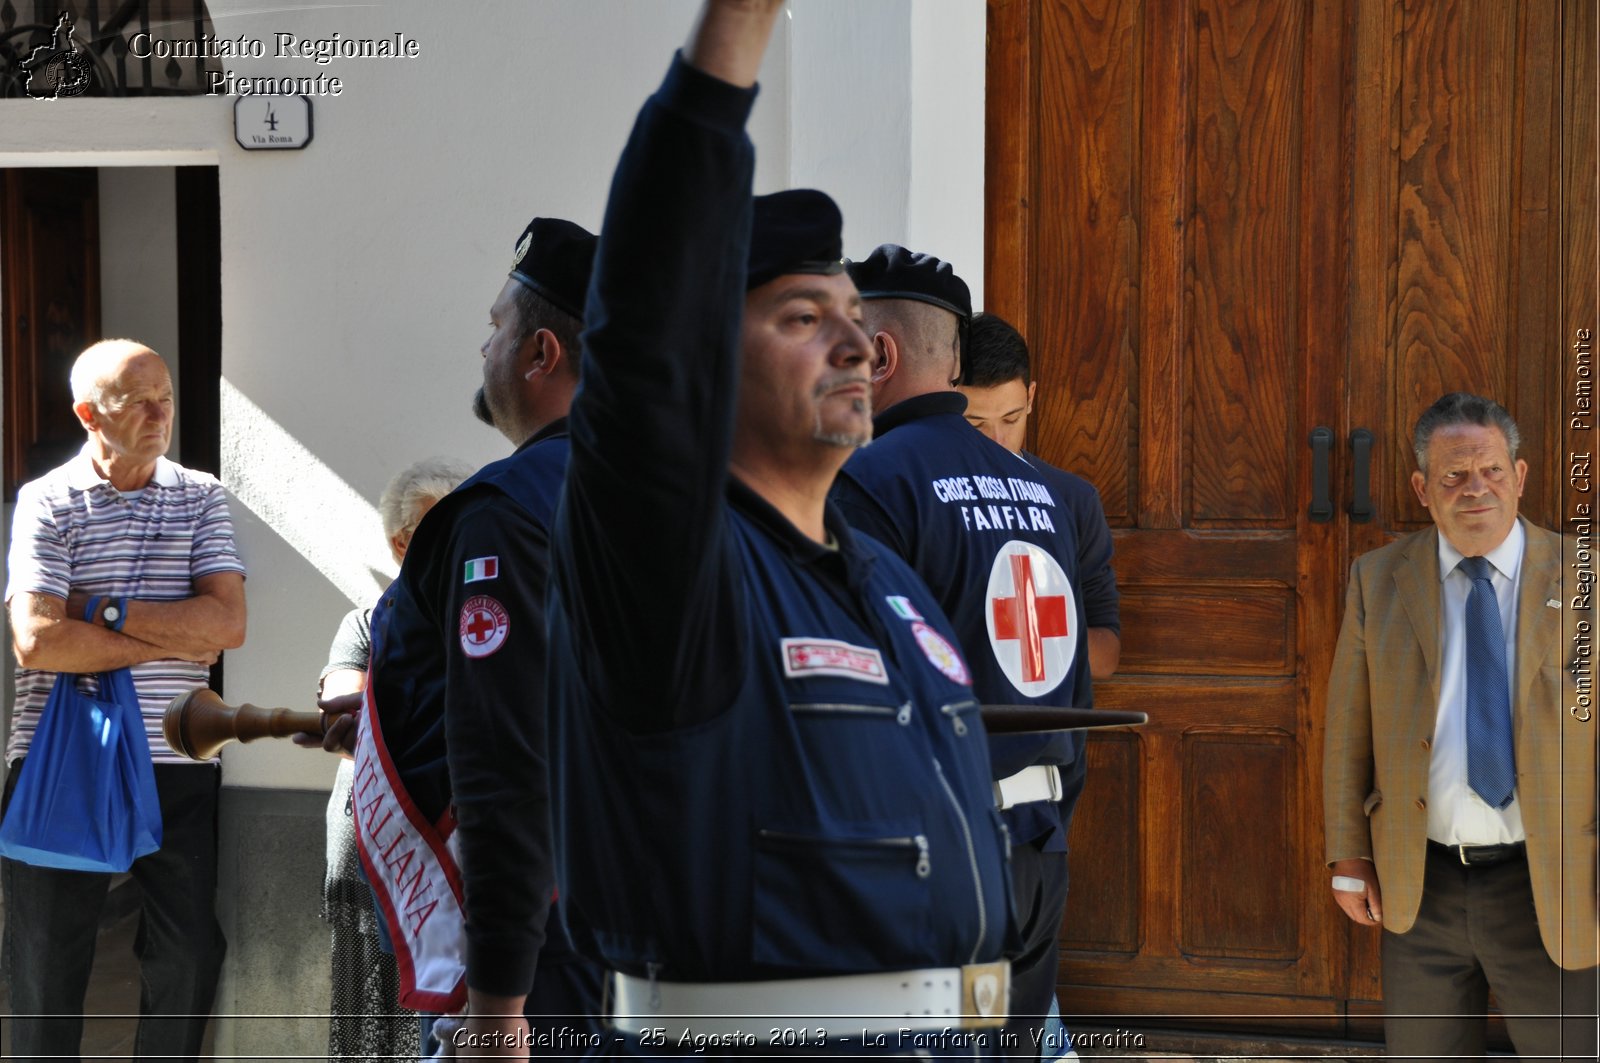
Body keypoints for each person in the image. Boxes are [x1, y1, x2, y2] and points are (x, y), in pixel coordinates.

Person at [545, 1, 1015, 1055]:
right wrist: (733, 42)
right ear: (708, 358)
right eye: (805, 317)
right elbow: (645, 324)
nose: (857, 344)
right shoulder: (678, 571)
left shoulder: (881, 576)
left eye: (856, 316)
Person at [314, 216, 605, 1060]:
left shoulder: (508, 512)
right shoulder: (685, 497)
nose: (484, 349)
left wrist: (497, 1005)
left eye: (494, 328)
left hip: (552, 959)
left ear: (540, 352)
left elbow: (506, 758)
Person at [829, 252, 1117, 1058]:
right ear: (955, 363)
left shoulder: (866, 480)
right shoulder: (1038, 489)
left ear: (878, 355)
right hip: (1036, 846)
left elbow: (850, 676)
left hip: (931, 851)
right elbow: (1070, 678)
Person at [1323, 391, 1598, 1060]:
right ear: (1422, 487)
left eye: (1492, 470)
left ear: (1520, 475)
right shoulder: (1377, 579)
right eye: (1454, 475)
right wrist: (1348, 852)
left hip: (1556, 882)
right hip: (1421, 887)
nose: (1476, 488)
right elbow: (1346, 729)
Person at [2, 339, 247, 1061]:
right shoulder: (47, 499)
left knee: (191, 953)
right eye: (136, 400)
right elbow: (38, 640)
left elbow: (226, 625)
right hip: (61, 752)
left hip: (175, 749)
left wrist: (100, 610)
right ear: (88, 414)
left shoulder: (201, 494)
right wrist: (171, 638)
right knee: (46, 967)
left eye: (164, 396)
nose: (158, 412)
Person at [958, 310, 1122, 1059]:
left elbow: (1109, 644)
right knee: (969, 1010)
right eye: (974, 421)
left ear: (1035, 400)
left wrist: (1029, 652)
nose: (995, 442)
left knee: (1016, 997)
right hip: (957, 798)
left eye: (1013, 419)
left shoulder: (1069, 498)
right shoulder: (924, 492)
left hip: (1042, 799)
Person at [316, 456, 472, 1062]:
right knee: (373, 1005)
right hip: (379, 840)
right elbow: (338, 693)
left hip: (454, 843)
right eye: (439, 532)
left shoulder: (482, 620)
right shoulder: (367, 621)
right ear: (400, 542)